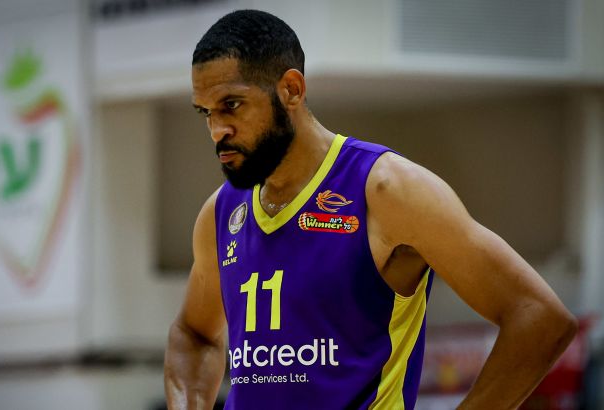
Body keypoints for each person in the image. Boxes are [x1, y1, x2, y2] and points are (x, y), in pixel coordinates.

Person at [164, 9, 577, 410]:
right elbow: (193, 334)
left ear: (291, 89)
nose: (217, 130)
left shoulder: (387, 189)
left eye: (232, 105)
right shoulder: (222, 212)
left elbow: (538, 318)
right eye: (206, 112)